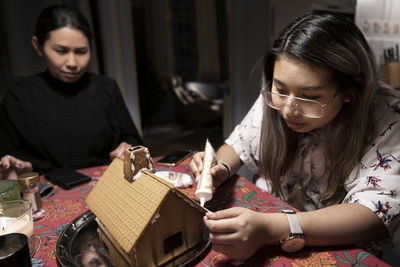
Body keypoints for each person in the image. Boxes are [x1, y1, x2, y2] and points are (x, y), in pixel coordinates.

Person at [190, 13, 400, 260]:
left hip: (338, 246)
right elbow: (237, 145)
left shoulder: (390, 117)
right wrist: (220, 167)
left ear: (350, 91)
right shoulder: (282, 96)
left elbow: (373, 214)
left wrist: (272, 228)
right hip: (265, 226)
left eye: (309, 97)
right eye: (280, 89)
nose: (289, 109)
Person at [0, 5, 142, 179]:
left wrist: (127, 147)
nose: (73, 62)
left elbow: (133, 140)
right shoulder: (18, 95)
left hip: (106, 185)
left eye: (82, 51)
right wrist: (23, 167)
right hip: (44, 193)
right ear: (38, 46)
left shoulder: (106, 88)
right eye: (61, 51)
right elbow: (8, 163)